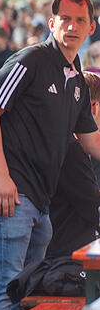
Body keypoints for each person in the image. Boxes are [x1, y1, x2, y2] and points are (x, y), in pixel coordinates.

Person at [0, 0, 100, 310]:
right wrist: (1, 176)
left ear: (90, 27)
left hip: (39, 199)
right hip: (12, 189)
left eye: (79, 21)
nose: (71, 26)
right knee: (6, 279)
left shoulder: (76, 80)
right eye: (64, 18)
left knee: (27, 285)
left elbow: (91, 140)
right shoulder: (31, 60)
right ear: (52, 23)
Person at [45, 70, 100, 258]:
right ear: (94, 108)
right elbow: (93, 206)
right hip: (67, 254)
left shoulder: (64, 139)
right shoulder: (71, 147)